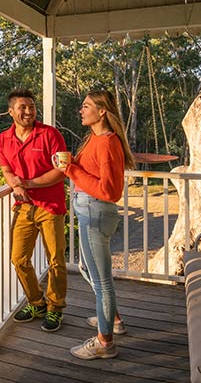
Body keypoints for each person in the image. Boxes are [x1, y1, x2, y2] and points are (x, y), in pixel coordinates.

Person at [61, 89, 135, 359]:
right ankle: (112, 319)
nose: (81, 110)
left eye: (86, 106)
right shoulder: (94, 139)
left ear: (102, 111)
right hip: (88, 211)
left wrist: (71, 170)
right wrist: (71, 165)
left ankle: (105, 343)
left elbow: (110, 191)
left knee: (103, 282)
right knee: (85, 267)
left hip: (96, 212)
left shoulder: (106, 142)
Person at [0, 88, 68, 332]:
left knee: (56, 259)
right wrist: (15, 183)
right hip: (24, 206)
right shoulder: (3, 139)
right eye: (22, 107)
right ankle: (37, 302)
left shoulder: (50, 134)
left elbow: (61, 170)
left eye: (31, 107)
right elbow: (6, 169)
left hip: (50, 206)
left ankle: (55, 307)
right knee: (18, 258)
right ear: (11, 112)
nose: (28, 111)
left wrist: (28, 183)